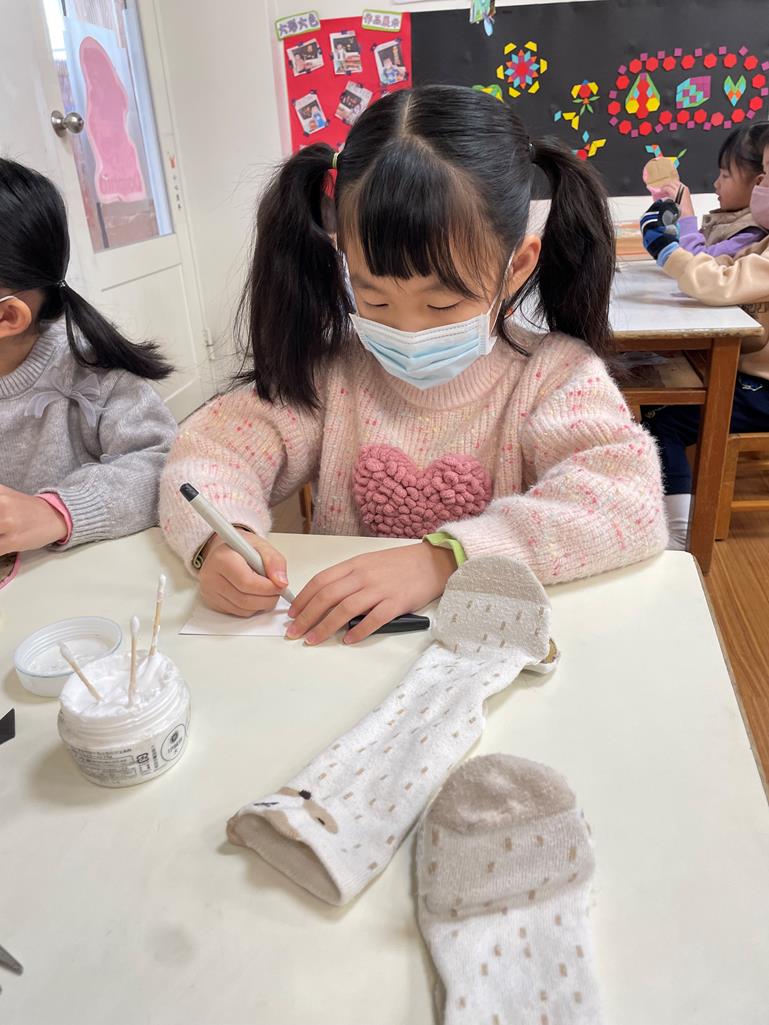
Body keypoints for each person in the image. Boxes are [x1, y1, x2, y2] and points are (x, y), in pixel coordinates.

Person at [160, 85, 666, 643]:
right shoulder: (334, 376)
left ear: (517, 267)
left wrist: (445, 558)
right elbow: (211, 452)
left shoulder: (555, 377)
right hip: (345, 651)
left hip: (489, 649)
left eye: (443, 305)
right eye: (374, 300)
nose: (408, 330)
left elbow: (628, 503)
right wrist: (220, 541)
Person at [0, 158, 177, 577]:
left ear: (7, 316)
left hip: (81, 585)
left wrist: (56, 512)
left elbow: (164, 467)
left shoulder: (91, 372)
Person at [640, 124, 769, 548]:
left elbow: (718, 282)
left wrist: (669, 250)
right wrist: (676, 247)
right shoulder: (762, 244)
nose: (761, 186)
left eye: (767, 177)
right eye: (761, 176)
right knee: (660, 397)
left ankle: (680, 536)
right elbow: (721, 267)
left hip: (763, 389)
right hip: (752, 372)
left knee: (662, 419)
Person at [663, 123, 769, 258]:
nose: (716, 183)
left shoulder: (752, 234)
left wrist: (686, 215)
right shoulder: (729, 221)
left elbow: (696, 262)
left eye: (725, 175)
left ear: (759, 183)